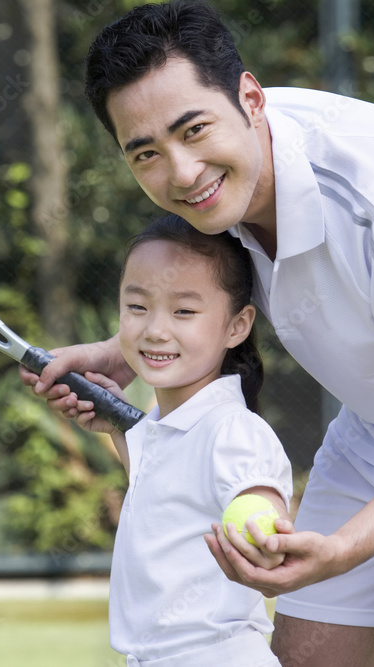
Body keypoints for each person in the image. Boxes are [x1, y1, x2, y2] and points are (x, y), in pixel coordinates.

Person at [19, 2, 374, 665]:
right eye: (145, 153)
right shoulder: (221, 182)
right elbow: (219, 291)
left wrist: (343, 549)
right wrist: (124, 355)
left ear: (251, 98)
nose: (181, 171)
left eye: (193, 130)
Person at [80, 213, 292, 666]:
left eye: (184, 311)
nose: (156, 329)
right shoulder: (166, 428)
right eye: (137, 307)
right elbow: (166, 499)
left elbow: (260, 503)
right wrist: (117, 423)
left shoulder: (232, 429)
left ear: (238, 326)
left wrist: (265, 537)